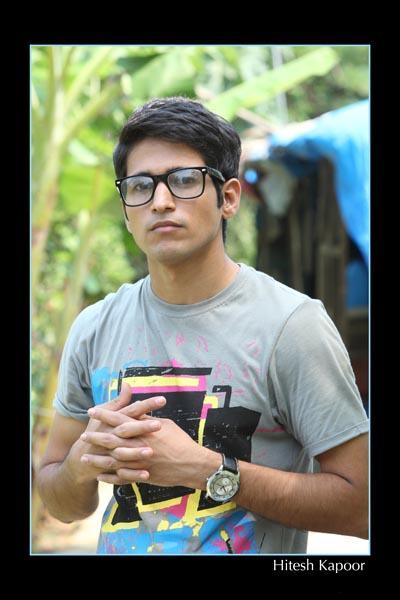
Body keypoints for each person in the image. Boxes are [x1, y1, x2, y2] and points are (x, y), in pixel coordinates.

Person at [37, 96, 369, 555]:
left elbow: (361, 506)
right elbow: (62, 502)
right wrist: (79, 464)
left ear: (228, 198)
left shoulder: (291, 326)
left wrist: (206, 469)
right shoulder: (95, 327)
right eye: (140, 186)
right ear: (127, 209)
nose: (160, 201)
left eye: (185, 180)